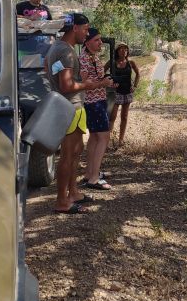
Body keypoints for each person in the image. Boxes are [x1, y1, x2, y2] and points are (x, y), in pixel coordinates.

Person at [46, 13, 113, 214]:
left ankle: (73, 192)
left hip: (72, 107)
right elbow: (66, 85)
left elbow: (49, 69)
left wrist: (73, 79)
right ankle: (62, 201)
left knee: (76, 152)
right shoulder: (66, 52)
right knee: (68, 156)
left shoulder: (57, 48)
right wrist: (89, 84)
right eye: (85, 29)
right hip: (70, 108)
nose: (86, 33)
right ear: (74, 28)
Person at [79, 28, 113, 190]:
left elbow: (95, 79)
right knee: (104, 137)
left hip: (98, 100)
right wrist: (103, 84)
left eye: (100, 39)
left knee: (94, 137)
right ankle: (94, 178)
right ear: (87, 42)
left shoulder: (93, 57)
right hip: (93, 102)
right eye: (97, 40)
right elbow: (85, 83)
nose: (100, 42)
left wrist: (106, 83)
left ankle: (90, 173)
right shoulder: (84, 59)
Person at [108, 43, 140, 147]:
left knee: (124, 117)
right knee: (112, 117)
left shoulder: (130, 62)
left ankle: (121, 140)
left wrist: (134, 86)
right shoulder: (112, 62)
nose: (124, 52)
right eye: (121, 49)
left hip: (127, 92)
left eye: (126, 50)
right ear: (117, 51)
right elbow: (102, 73)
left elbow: (138, 74)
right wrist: (109, 83)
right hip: (116, 92)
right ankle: (108, 140)